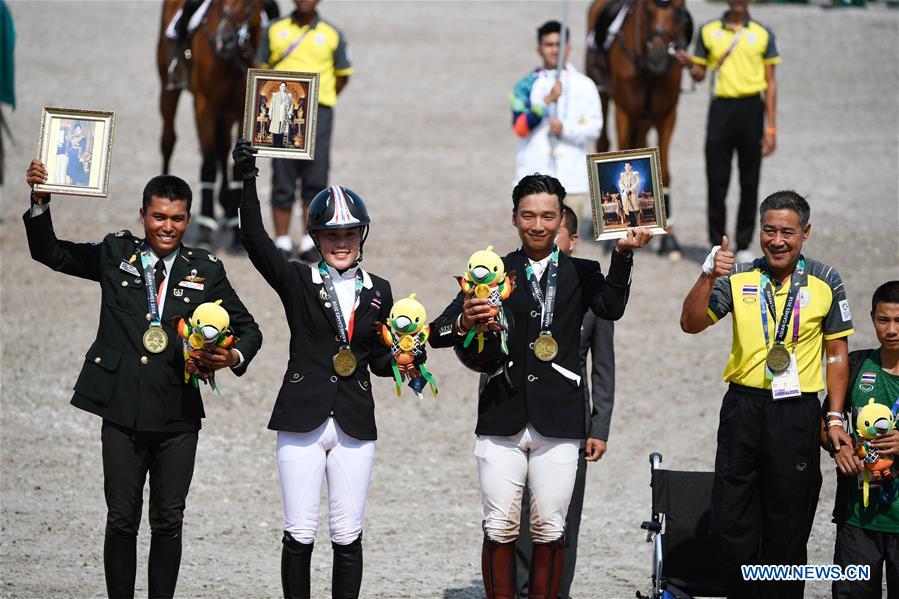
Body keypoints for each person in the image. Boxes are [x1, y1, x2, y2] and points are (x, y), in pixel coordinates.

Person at [23, 159, 262, 599]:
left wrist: (232, 354)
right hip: (121, 409)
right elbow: (51, 253)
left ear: (188, 220)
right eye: (158, 217)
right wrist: (40, 201)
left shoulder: (206, 269)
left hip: (178, 417)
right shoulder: (116, 253)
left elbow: (251, 329)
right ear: (142, 215)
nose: (166, 227)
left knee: (168, 521)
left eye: (175, 219)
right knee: (121, 518)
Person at [430, 173, 651, 598]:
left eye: (548, 216)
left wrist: (622, 255)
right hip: (502, 415)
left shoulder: (582, 271)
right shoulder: (491, 272)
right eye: (528, 215)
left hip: (560, 420)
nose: (537, 225)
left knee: (551, 529)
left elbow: (612, 306)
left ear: (561, 219)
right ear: (513, 218)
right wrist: (465, 320)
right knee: (499, 527)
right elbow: (439, 332)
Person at [233, 140, 410, 599]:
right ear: (316, 238)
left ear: (362, 236)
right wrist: (249, 178)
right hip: (302, 417)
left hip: (354, 419)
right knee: (300, 533)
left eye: (349, 234)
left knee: (348, 535)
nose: (341, 243)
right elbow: (254, 239)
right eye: (332, 236)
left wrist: (405, 362)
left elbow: (377, 357)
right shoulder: (296, 279)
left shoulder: (381, 290)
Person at [680, 190, 854, 598]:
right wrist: (708, 275)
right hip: (742, 408)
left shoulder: (827, 281)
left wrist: (833, 417)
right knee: (732, 522)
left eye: (787, 232)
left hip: (796, 414)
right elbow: (690, 323)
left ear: (805, 233)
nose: (777, 241)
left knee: (788, 525)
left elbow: (837, 354)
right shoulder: (739, 276)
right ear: (760, 231)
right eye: (769, 230)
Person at [514, 208, 616, 598]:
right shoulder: (513, 281)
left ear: (572, 241)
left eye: (556, 234)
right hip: (520, 416)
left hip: (570, 420)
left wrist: (599, 426)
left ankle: (557, 592)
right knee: (518, 515)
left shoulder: (592, 290)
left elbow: (602, 366)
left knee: (562, 517)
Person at [675, 0, 780, 265]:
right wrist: (690, 64)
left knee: (749, 180)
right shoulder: (708, 30)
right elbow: (700, 74)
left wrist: (771, 127)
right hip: (721, 108)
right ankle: (716, 243)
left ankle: (744, 243)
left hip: (751, 108)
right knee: (716, 180)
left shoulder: (763, 32)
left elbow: (770, 82)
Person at [257, 0, 353, 262]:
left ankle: (311, 240)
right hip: (281, 109)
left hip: (319, 111)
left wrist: (320, 98)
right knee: (283, 172)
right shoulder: (274, 30)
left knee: (316, 175)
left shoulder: (333, 33)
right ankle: (282, 240)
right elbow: (261, 69)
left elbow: (342, 74)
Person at [827, 281, 899, 599]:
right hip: (858, 520)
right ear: (872, 318)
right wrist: (838, 447)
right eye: (884, 320)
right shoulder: (856, 366)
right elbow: (826, 423)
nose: (892, 329)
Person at [510, 20, 602, 239]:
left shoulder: (585, 85)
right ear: (539, 49)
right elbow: (520, 127)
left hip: (571, 179)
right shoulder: (525, 85)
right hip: (532, 179)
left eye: (559, 44)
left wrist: (566, 129)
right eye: (549, 44)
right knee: (531, 249)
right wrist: (545, 103)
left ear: (568, 47)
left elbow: (595, 128)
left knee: (566, 252)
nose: (554, 50)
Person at [268, 82, 294, 148]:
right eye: (281, 86)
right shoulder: (275, 95)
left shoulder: (288, 96)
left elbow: (291, 105)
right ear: (279, 87)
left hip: (284, 115)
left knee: (281, 130)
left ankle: (280, 144)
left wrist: (290, 113)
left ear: (285, 88)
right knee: (276, 129)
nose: (283, 87)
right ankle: (275, 143)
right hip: (276, 114)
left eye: (284, 86)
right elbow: (272, 105)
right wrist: (270, 113)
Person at [617, 161, 640, 227]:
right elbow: (620, 183)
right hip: (626, 194)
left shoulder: (635, 174)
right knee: (628, 208)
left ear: (631, 166)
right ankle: (631, 222)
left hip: (632, 194)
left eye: (628, 166)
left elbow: (637, 183)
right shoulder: (623, 175)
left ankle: (634, 223)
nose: (627, 167)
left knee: (633, 208)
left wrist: (630, 190)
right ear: (625, 167)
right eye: (626, 166)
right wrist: (625, 189)